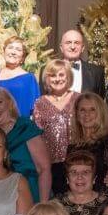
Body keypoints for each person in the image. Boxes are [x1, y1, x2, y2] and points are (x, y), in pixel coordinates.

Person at [0, 87, 52, 203]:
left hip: (32, 195)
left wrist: (43, 205)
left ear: (9, 103)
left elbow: (44, 169)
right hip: (1, 200)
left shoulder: (25, 127)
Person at [32, 59, 76, 195]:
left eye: (61, 75)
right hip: (49, 165)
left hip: (75, 162)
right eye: (53, 75)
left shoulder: (79, 98)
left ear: (68, 76)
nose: (57, 79)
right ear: (47, 78)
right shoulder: (40, 103)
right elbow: (37, 135)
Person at [69, 92, 108, 193]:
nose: (87, 114)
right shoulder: (72, 146)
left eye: (92, 110)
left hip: (102, 202)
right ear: (77, 114)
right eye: (82, 110)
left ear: (101, 113)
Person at [0, 36, 41, 118]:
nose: (13, 52)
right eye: (10, 48)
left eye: (18, 49)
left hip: (19, 127)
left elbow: (35, 111)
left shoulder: (29, 79)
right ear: (4, 52)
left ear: (23, 56)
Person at [58, 29, 106, 97]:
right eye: (68, 42)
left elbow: (98, 102)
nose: (72, 47)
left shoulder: (96, 72)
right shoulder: (48, 70)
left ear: (82, 48)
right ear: (61, 47)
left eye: (77, 43)